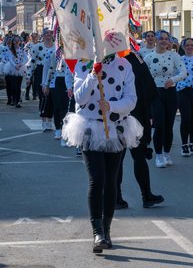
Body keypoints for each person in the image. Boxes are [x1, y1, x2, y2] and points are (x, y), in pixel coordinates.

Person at [62, 54, 143, 253]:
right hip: (89, 127)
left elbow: (132, 99)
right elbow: (79, 97)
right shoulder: (83, 63)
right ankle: (97, 232)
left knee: (111, 180)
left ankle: (106, 230)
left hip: (115, 127)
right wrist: (91, 75)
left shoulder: (124, 65)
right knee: (96, 180)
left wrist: (112, 106)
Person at [116, 51, 164, 210]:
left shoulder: (133, 56)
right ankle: (117, 197)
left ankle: (146, 195)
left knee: (138, 156)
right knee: (118, 158)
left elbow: (147, 86)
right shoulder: (110, 57)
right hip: (117, 113)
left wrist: (148, 114)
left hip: (135, 113)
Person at [143, 30, 187, 168]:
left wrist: (173, 79)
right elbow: (143, 77)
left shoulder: (174, 56)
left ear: (169, 41)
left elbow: (183, 72)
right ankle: (159, 155)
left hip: (171, 92)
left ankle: (167, 153)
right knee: (159, 125)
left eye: (166, 39)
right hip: (156, 94)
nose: (163, 41)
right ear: (155, 40)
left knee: (169, 125)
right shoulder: (149, 57)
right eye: (161, 38)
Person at [41, 49, 74, 144]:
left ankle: (68, 131)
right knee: (58, 107)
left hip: (72, 81)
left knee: (70, 108)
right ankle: (58, 130)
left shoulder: (75, 51)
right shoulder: (56, 53)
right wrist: (46, 84)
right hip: (58, 80)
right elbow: (50, 69)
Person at [26, 29, 56, 131]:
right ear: (43, 35)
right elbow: (32, 62)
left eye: (50, 33)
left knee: (52, 97)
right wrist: (28, 77)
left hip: (53, 73)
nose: (48, 35)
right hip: (40, 71)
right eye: (46, 33)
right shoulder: (37, 47)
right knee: (43, 96)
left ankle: (50, 121)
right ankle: (44, 121)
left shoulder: (56, 47)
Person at [1, 35, 27, 108]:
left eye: (18, 40)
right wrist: (15, 65)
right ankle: (12, 99)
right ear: (13, 42)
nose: (17, 42)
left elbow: (26, 58)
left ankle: (17, 101)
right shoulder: (10, 50)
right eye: (15, 40)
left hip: (20, 68)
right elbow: (10, 58)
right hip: (12, 68)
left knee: (18, 86)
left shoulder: (22, 49)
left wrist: (21, 64)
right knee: (13, 85)